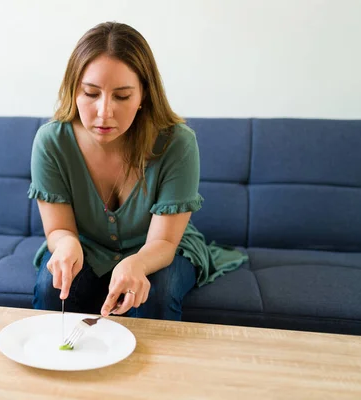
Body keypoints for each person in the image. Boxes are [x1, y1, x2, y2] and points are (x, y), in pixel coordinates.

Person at [28, 22, 247, 321]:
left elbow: (164, 243)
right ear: (73, 91)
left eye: (121, 96)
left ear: (143, 94)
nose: (104, 111)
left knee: (159, 292)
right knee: (50, 289)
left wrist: (137, 264)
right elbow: (59, 229)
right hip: (87, 245)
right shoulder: (51, 142)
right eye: (91, 93)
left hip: (159, 246)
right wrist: (66, 245)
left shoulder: (178, 143)